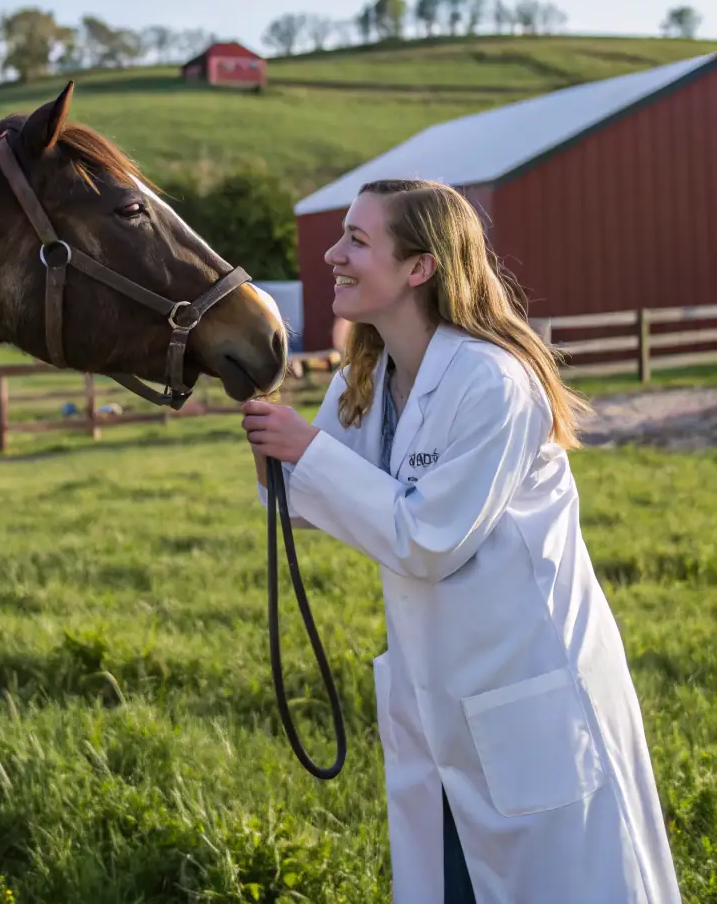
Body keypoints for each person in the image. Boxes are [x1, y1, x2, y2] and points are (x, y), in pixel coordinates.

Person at [242, 179, 680, 904]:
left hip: (525, 695)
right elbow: (316, 502)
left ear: (420, 267)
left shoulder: (493, 382)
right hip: (437, 701)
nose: (333, 252)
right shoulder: (370, 376)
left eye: (357, 238)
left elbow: (427, 538)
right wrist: (274, 452)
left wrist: (306, 451)